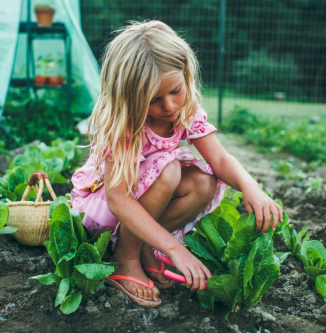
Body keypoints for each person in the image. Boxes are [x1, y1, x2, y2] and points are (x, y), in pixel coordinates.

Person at [71, 20, 283, 308]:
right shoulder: (125, 124)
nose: (169, 106)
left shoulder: (185, 111)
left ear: (186, 75)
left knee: (203, 181)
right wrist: (174, 248)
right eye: (154, 99)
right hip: (108, 208)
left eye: (175, 91)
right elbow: (117, 198)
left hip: (143, 204)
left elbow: (219, 159)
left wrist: (251, 187)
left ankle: (145, 244)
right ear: (129, 97)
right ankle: (125, 258)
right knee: (169, 168)